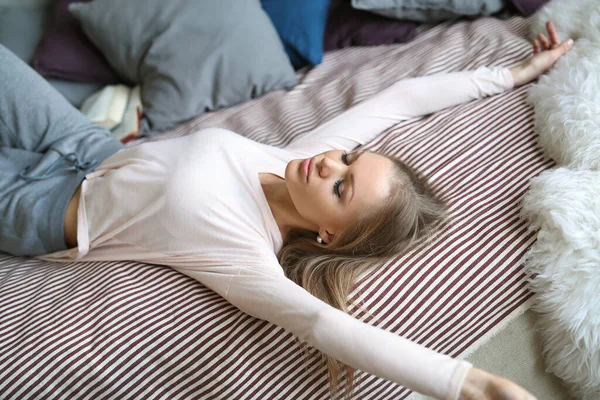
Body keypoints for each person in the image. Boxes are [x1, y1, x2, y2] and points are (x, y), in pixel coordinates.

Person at [0, 21, 571, 400]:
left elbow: (326, 325)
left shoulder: (243, 254)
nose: (330, 166)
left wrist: (477, 386)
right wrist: (514, 74)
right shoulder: (299, 156)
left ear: (326, 234)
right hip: (84, 146)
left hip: (40, 208)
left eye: (342, 189)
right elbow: (401, 99)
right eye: (350, 158)